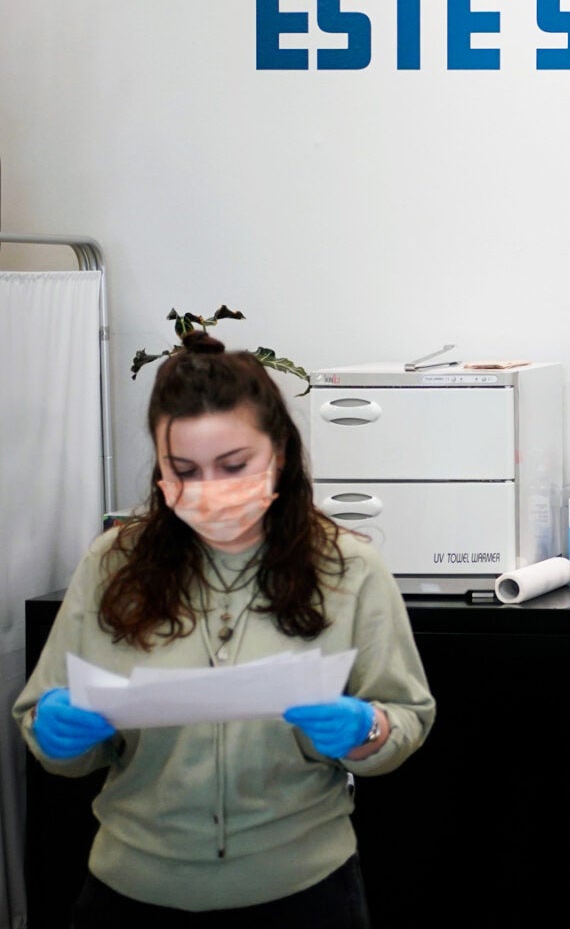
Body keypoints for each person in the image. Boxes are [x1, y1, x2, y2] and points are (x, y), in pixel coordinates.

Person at [13, 332, 436, 926]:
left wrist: (369, 729)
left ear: (280, 454)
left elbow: (407, 715)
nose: (209, 488)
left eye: (234, 465)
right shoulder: (114, 564)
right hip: (131, 888)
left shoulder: (348, 569)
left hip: (302, 890)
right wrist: (60, 736)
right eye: (182, 469)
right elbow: (42, 724)